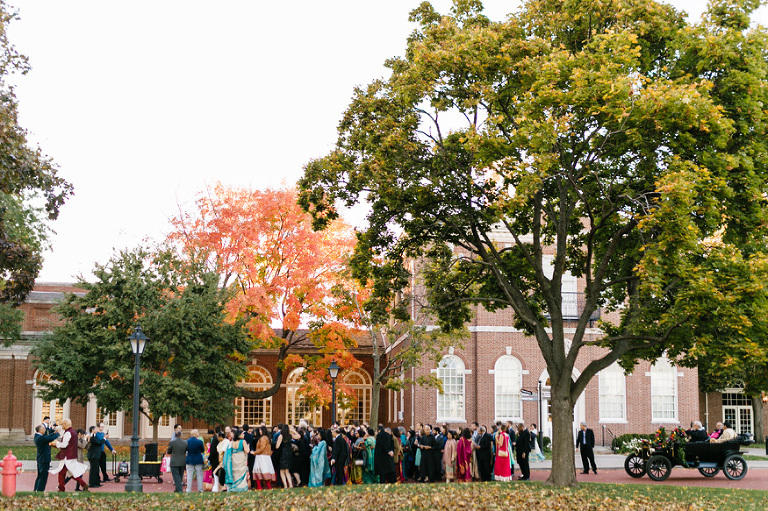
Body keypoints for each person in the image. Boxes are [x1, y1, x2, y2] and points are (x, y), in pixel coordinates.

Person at [50, 419, 89, 492]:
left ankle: (61, 489)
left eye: (62, 424)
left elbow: (64, 445)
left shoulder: (68, 433)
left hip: (67, 456)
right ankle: (83, 484)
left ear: (65, 425)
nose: (62, 426)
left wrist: (56, 444)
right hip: (72, 456)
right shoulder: (73, 432)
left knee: (61, 473)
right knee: (71, 473)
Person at [33, 423, 60, 491]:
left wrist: (54, 433)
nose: (45, 430)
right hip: (44, 459)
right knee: (43, 476)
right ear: (40, 430)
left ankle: (36, 489)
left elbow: (47, 437)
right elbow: (49, 438)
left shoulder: (37, 436)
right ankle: (40, 490)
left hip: (41, 458)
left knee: (40, 475)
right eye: (44, 429)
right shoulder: (40, 438)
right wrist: (57, 434)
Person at [276, 424, 294, 488]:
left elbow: (277, 446)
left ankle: (285, 485)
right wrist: (293, 431)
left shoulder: (281, 436)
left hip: (283, 453)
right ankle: (291, 485)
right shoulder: (290, 436)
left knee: (282, 471)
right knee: (287, 470)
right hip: (289, 453)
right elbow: (299, 436)